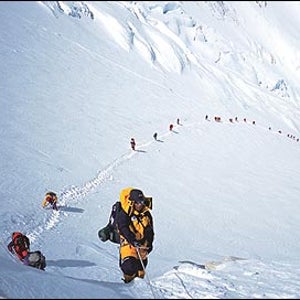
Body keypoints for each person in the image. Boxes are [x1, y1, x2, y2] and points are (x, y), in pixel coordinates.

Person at [117, 188, 154, 283]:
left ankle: (139, 288)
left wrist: (148, 245)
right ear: (132, 202)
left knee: (141, 271)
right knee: (129, 267)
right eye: (137, 202)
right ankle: (128, 285)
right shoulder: (124, 213)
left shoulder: (146, 214)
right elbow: (123, 228)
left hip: (141, 246)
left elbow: (150, 231)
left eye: (141, 202)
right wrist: (132, 241)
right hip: (128, 244)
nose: (139, 204)